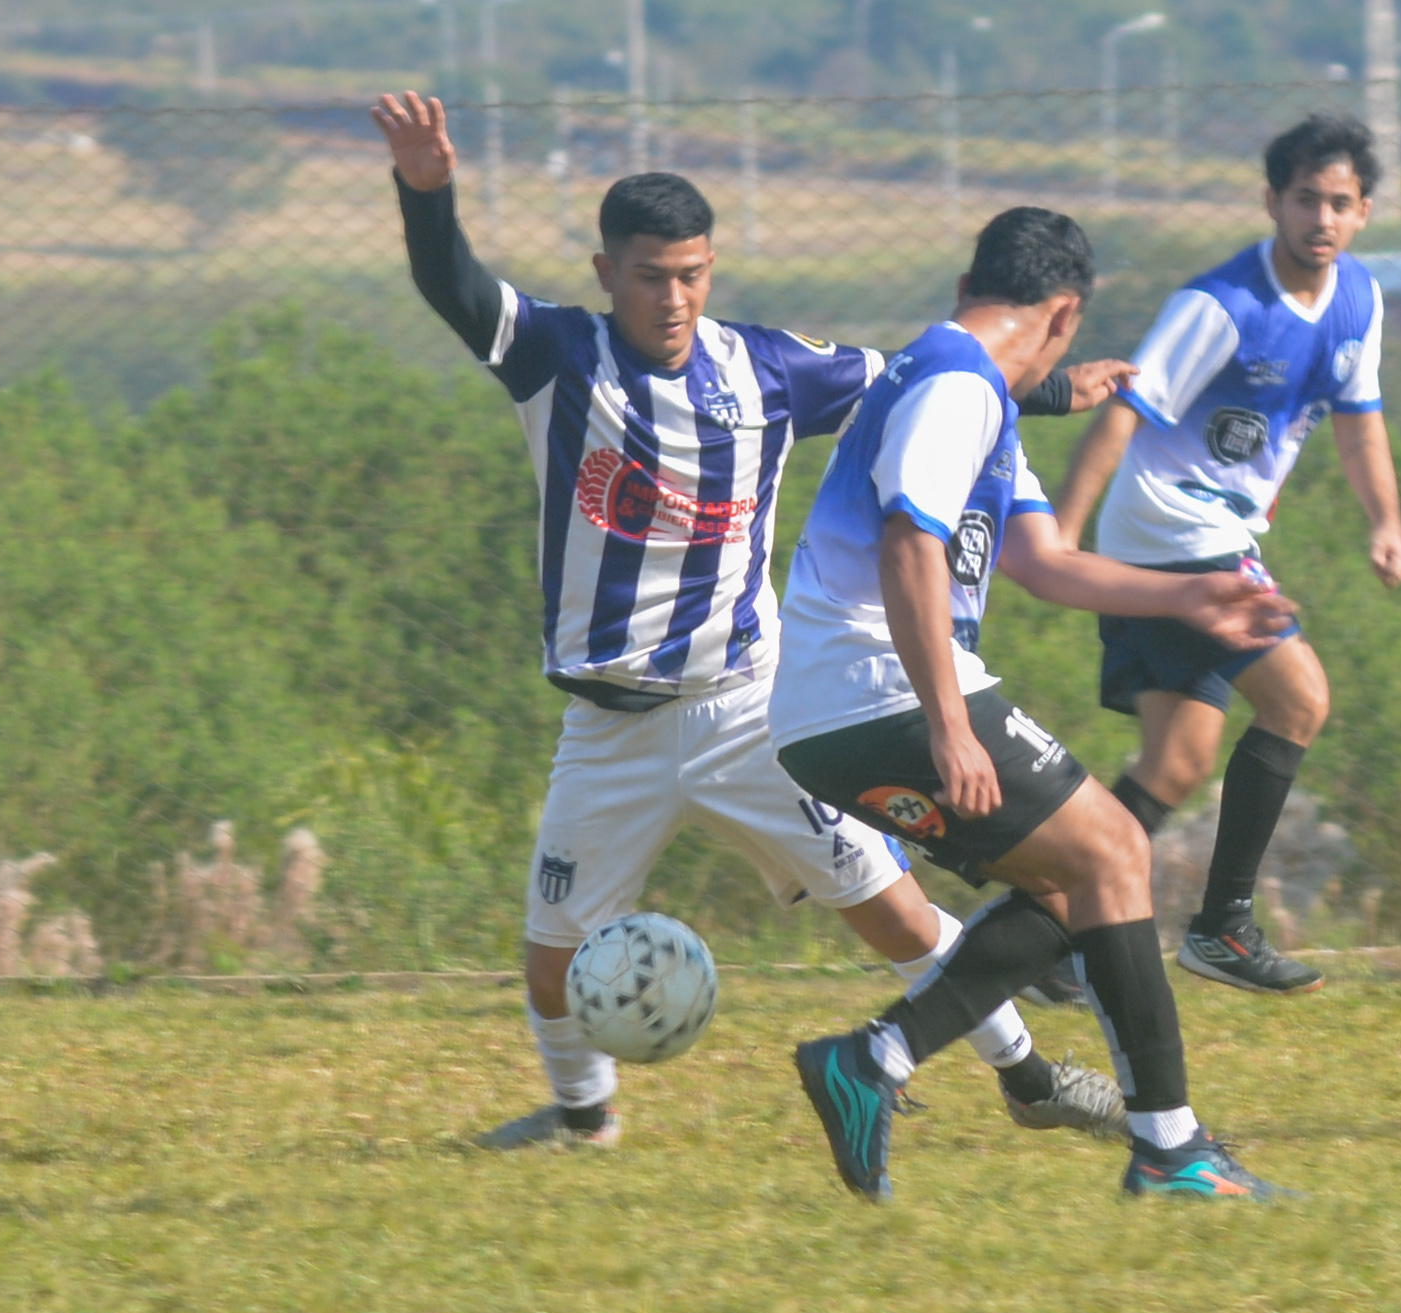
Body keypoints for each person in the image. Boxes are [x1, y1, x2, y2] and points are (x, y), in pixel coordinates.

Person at [370, 89, 1135, 1151]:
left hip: (747, 712)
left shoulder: (768, 368)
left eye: (691, 274)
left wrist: (1047, 393)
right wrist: (427, 193)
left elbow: (921, 384)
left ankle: (1031, 1078)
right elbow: (452, 285)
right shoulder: (557, 355)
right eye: (649, 276)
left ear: (711, 270)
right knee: (551, 959)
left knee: (893, 912)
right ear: (606, 274)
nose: (672, 298)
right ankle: (583, 1119)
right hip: (609, 728)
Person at [769, 206, 1299, 1202]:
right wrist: (947, 723)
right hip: (876, 688)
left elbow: (1045, 562)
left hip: (840, 706)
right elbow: (908, 548)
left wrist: (1191, 594)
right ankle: (1170, 1150)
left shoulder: (976, 397)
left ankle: (872, 1062)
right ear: (1063, 315)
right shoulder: (955, 384)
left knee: (1075, 888)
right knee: (1117, 851)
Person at [1054, 113, 1401, 997]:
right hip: (1172, 533)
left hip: (1213, 536)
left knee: (1175, 765)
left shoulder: (1359, 302)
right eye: (1305, 200)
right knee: (1300, 699)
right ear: (1272, 202)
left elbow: (1360, 424)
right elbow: (1124, 413)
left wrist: (1386, 523)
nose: (1321, 219)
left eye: (1339, 203)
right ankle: (1222, 928)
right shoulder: (1219, 305)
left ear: (1364, 212)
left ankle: (1046, 936)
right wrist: (1060, 536)